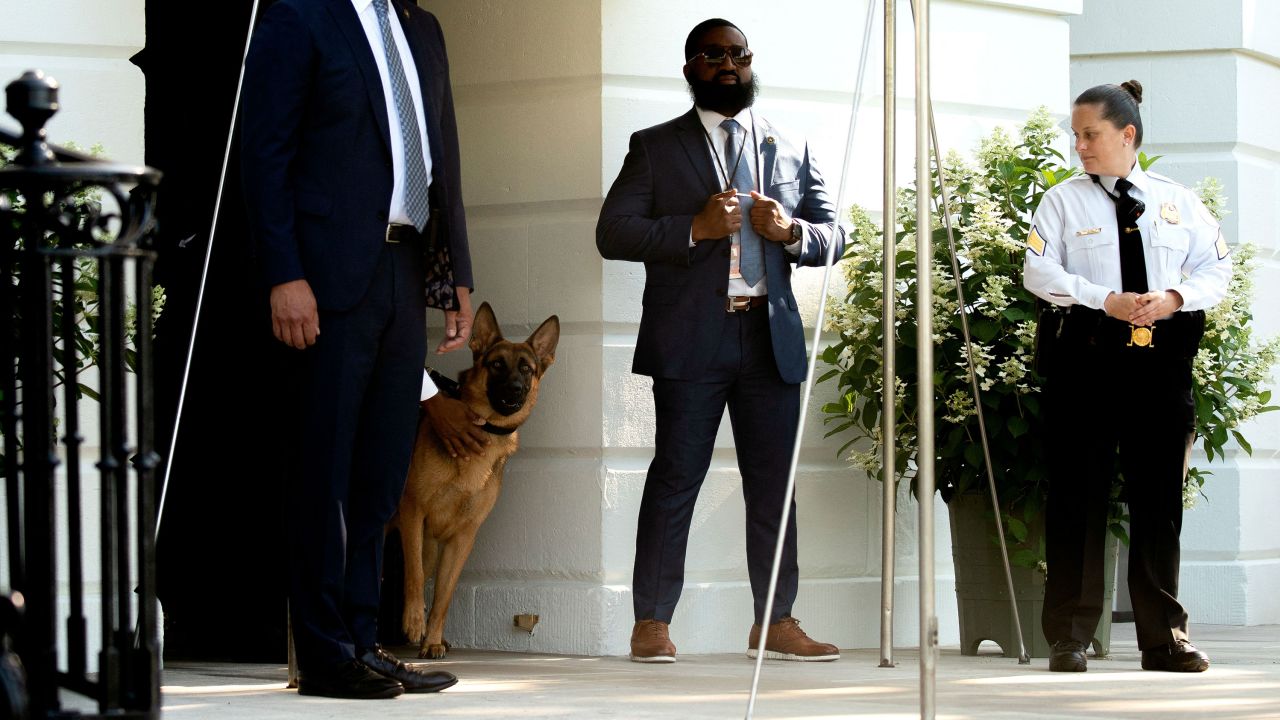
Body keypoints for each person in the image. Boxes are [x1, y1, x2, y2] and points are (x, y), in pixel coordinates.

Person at [241, 0, 484, 699]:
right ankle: (322, 653)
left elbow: (444, 156)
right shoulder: (299, 16)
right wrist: (284, 274)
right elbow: (265, 156)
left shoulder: (421, 27)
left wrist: (455, 273)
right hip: (323, 273)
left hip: (405, 271)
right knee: (326, 472)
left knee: (379, 474)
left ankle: (361, 642)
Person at [596, 18, 844, 664]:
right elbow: (612, 231)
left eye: (739, 54)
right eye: (714, 55)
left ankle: (776, 619)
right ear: (690, 69)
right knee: (676, 476)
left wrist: (791, 231)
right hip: (692, 341)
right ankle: (651, 621)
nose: (729, 64)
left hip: (769, 339)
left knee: (773, 485)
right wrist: (694, 228)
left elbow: (835, 234)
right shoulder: (653, 148)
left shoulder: (789, 145)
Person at [1024, 80, 1231, 674]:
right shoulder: (1062, 202)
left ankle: (1164, 638)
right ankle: (1068, 635)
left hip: (1161, 363)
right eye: (1076, 134)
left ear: (1127, 134)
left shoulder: (1178, 201)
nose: (1080, 145)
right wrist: (1102, 299)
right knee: (1076, 496)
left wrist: (1174, 296)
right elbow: (1037, 270)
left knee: (1160, 501)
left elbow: (1217, 267)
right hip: (1086, 359)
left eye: (1090, 134)